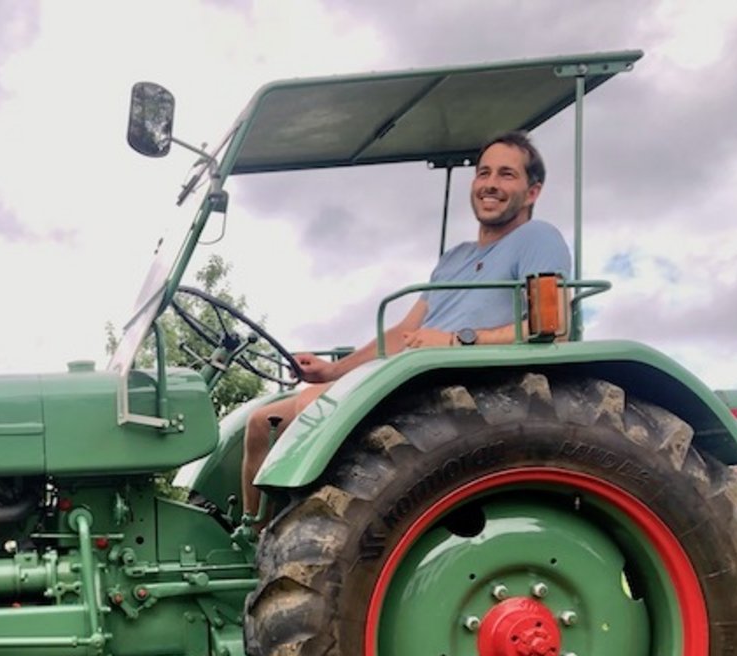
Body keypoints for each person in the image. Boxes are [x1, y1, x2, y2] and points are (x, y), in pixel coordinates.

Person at [241, 130, 571, 516]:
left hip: (469, 384)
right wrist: (332, 370)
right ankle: (253, 537)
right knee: (263, 423)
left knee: (312, 406)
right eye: (484, 173)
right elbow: (403, 332)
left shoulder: (538, 237)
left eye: (506, 175)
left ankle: (316, 529)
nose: (490, 185)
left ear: (532, 192)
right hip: (420, 370)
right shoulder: (455, 258)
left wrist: (455, 341)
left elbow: (551, 327)